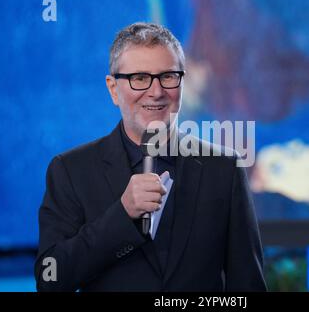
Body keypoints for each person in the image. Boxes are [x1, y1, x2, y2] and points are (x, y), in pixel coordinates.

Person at [34, 22, 267, 292]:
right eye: (140, 78)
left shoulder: (224, 169)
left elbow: (248, 287)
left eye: (168, 76)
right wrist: (122, 215)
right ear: (113, 89)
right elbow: (49, 279)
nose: (156, 92)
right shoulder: (71, 171)